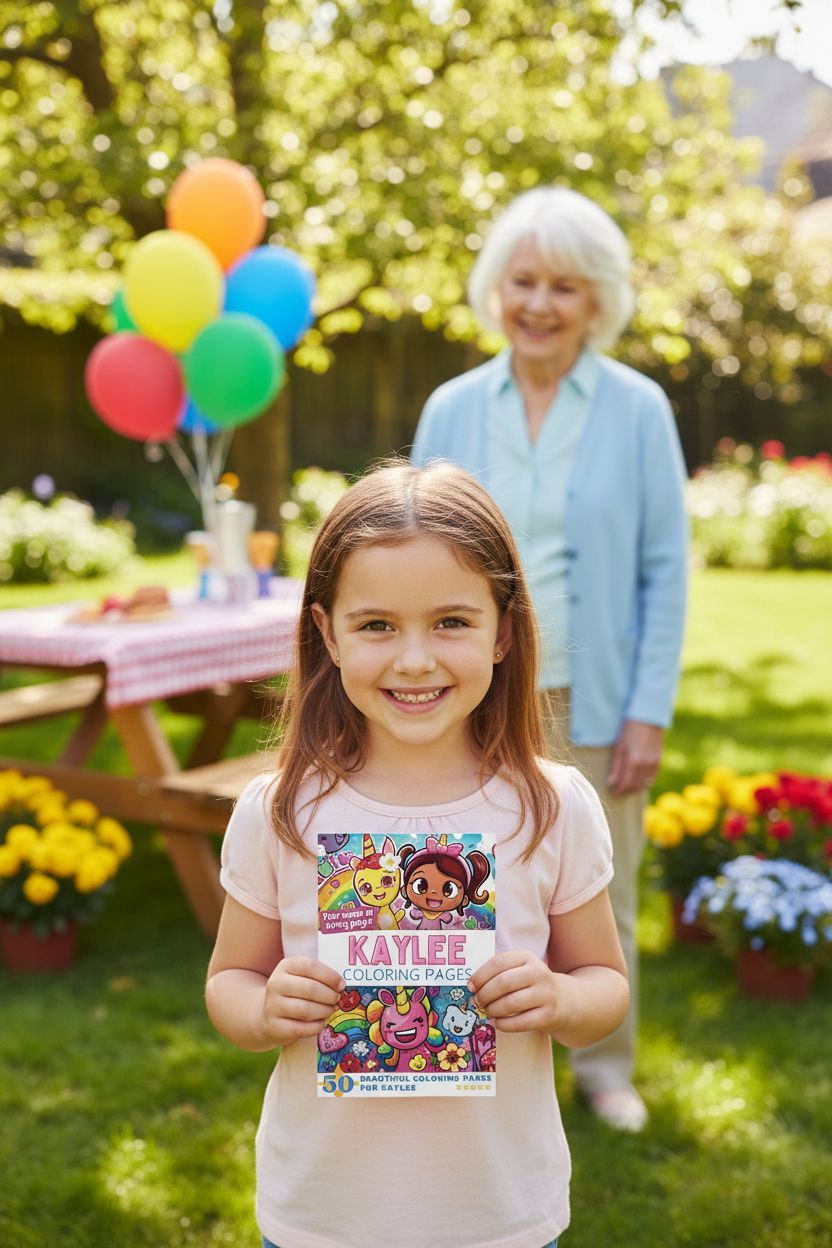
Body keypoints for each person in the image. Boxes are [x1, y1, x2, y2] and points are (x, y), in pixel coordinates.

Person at [206, 459, 629, 1248]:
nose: (413, 660)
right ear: (326, 633)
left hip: (501, 1214)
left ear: (504, 631)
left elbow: (604, 983)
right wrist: (263, 1009)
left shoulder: (552, 805)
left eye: (451, 622)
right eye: (376, 626)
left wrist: (561, 1000)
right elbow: (229, 978)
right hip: (322, 1214)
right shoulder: (281, 812)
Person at [411, 187, 688, 1132]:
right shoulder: (451, 405)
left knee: (598, 882)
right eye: (524, 280)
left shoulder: (639, 408)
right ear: (498, 288)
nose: (540, 303)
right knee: (464, 868)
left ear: (596, 299)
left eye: (564, 286)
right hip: (467, 689)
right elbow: (412, 552)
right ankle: (458, 1045)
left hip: (593, 693)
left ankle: (605, 1066)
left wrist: (648, 709)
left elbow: (665, 569)